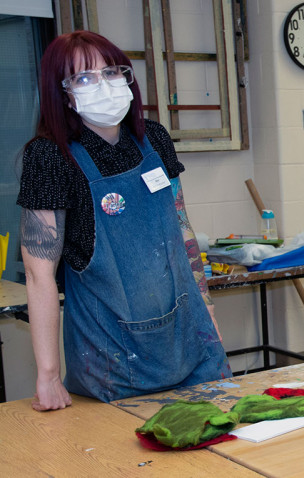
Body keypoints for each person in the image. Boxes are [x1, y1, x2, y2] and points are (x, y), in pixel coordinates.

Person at [18, 31, 230, 410]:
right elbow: (38, 275)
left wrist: (208, 315)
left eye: (111, 72)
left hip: (189, 339)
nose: (103, 85)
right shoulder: (49, 158)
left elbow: (183, 232)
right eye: (83, 78)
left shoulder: (154, 139)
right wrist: (48, 374)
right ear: (62, 92)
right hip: (111, 356)